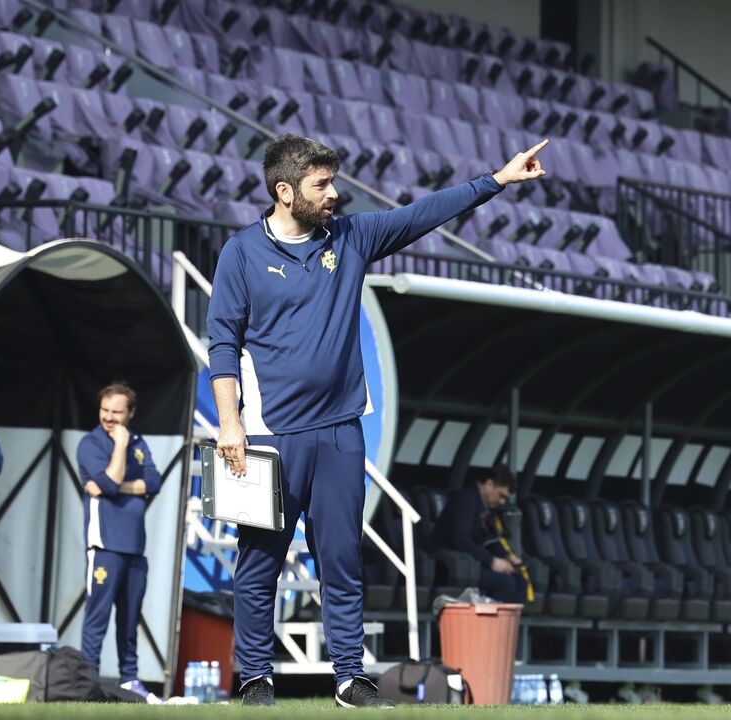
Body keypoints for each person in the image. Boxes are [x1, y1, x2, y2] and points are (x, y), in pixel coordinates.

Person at [207, 134, 548, 708]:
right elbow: (222, 343)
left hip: (341, 430)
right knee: (259, 559)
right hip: (270, 435)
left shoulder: (350, 237)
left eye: (332, 181)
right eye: (321, 184)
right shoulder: (241, 253)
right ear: (285, 191)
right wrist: (230, 422)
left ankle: (348, 677)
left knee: (341, 557)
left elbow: (421, 215)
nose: (334, 193)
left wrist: (497, 180)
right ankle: (253, 676)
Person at [76, 382, 163, 703]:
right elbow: (110, 479)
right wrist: (119, 447)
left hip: (135, 548)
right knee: (97, 617)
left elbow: (153, 481)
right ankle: (86, 682)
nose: (109, 418)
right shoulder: (91, 443)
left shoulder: (139, 443)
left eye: (116, 412)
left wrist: (118, 486)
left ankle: (129, 680)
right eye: (104, 411)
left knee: (129, 621)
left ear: (131, 413)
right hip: (104, 545)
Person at [431, 464, 529, 603]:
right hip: (453, 565)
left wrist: (507, 557)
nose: (502, 501)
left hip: (474, 562)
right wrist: (492, 561)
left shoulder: (487, 508)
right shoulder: (466, 499)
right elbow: (461, 540)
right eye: (501, 495)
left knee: (520, 580)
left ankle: (510, 623)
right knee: (506, 583)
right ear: (489, 484)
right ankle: (487, 621)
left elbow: (491, 539)